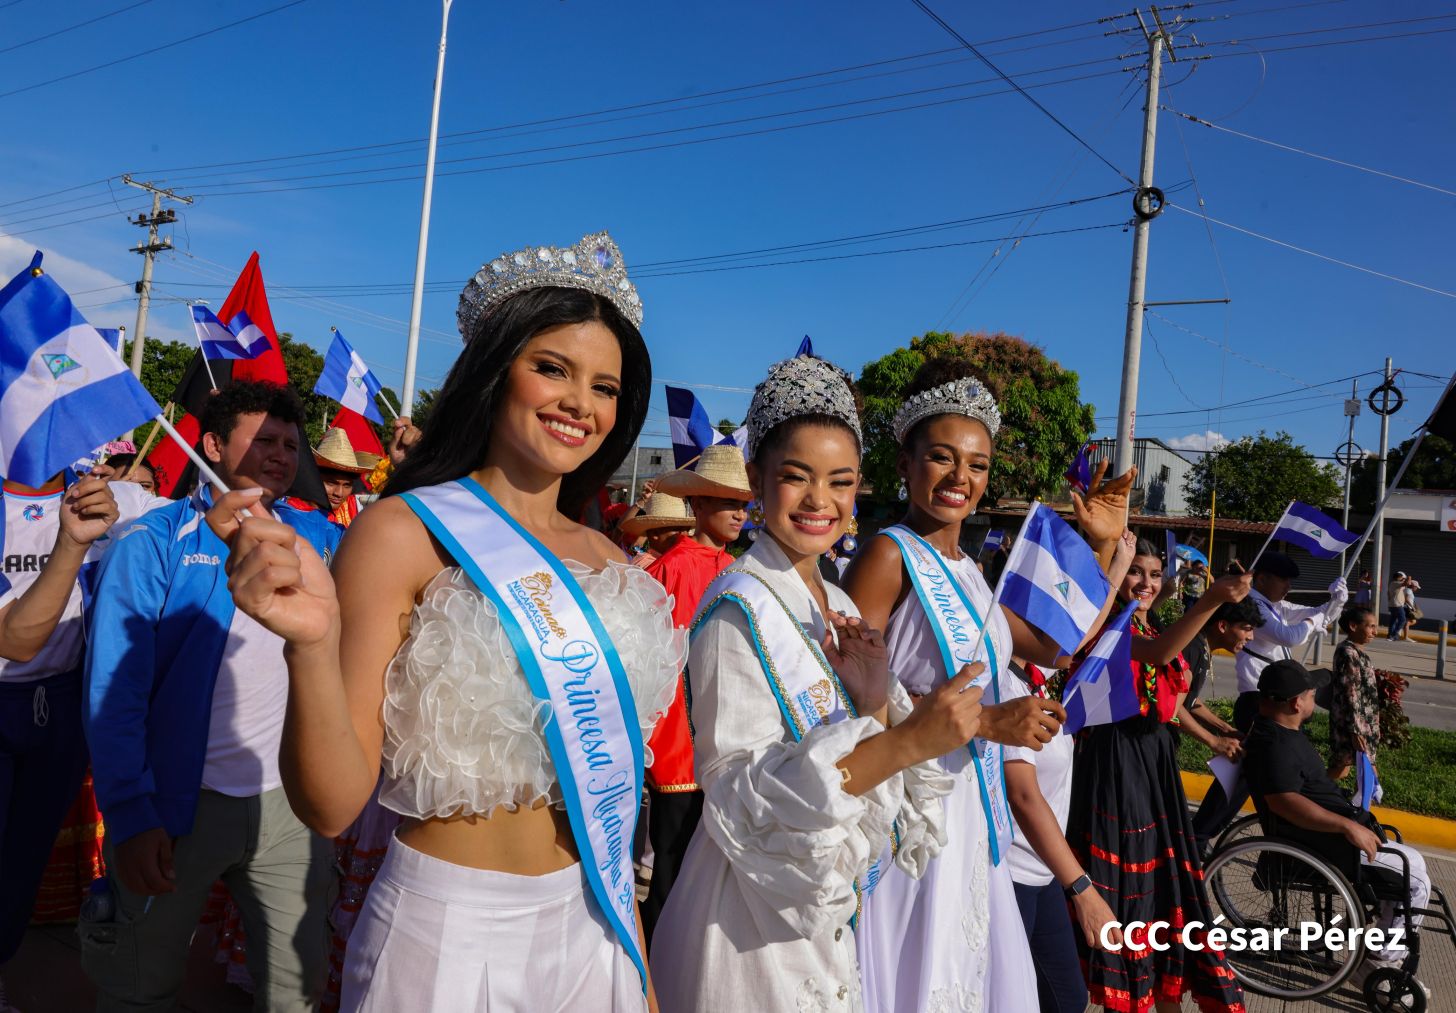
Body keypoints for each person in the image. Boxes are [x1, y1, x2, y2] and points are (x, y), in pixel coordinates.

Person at [218, 232, 683, 1011]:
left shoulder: (613, 559)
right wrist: (311, 646)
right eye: (552, 368)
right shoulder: (404, 532)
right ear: (496, 371)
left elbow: (609, 794)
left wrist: (636, 961)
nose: (581, 403)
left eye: (606, 386)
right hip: (449, 933)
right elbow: (332, 804)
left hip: (593, 925)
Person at [652, 354, 977, 1012]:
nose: (819, 501)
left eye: (840, 481)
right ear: (755, 479)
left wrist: (876, 700)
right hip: (749, 922)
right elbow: (744, 798)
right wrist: (909, 739)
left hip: (825, 916)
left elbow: (861, 763)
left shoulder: (831, 598)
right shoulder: (734, 607)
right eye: (796, 477)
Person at [844, 366, 1135, 1013]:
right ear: (906, 462)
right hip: (915, 821)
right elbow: (844, 706)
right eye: (942, 457)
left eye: (976, 463)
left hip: (975, 822)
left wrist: (1101, 545)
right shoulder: (887, 556)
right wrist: (988, 722)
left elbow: (1057, 643)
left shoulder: (971, 572)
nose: (959, 477)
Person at [80, 382, 343, 1012]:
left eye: (289, 442)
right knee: (139, 988)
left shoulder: (324, 543)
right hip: (176, 806)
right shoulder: (155, 542)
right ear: (213, 445)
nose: (281, 453)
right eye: (263, 439)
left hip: (289, 808)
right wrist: (133, 816)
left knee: (296, 992)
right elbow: (113, 692)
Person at [1065, 539, 1252, 1012]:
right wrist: (1211, 601)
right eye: (1134, 573)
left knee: (1161, 894)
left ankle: (1160, 989)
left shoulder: (1141, 616)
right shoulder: (1105, 626)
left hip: (1154, 762)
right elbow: (1158, 654)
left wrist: (1165, 593)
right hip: (1116, 762)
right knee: (1128, 894)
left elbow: (1169, 702)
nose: (1144, 583)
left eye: (1153, 574)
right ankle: (1126, 994)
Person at [0, 470, 143, 1004]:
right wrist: (69, 542)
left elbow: (197, 512)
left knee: (23, 863)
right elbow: (15, 642)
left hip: (60, 709)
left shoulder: (105, 491)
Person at [1242, 659, 1430, 983]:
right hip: (1327, 844)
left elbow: (1305, 788)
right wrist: (1347, 826)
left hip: (1333, 835)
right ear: (1296, 702)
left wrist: (1339, 774)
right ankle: (1378, 961)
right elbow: (1284, 802)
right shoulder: (1275, 745)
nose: (1316, 697)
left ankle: (1382, 941)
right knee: (1415, 880)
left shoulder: (1285, 732)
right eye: (1312, 693)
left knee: (1409, 867)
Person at [639, 444, 751, 944]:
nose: (739, 514)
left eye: (744, 504)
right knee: (671, 870)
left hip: (724, 739)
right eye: (728, 502)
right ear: (699, 506)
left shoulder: (736, 568)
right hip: (680, 745)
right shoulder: (675, 567)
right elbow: (662, 662)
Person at [1329, 604, 1381, 782]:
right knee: (1354, 770)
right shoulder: (1348, 653)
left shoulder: (1356, 652)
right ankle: (1310, 797)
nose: (1375, 631)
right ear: (1353, 626)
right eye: (1370, 626)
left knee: (1347, 768)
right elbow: (1351, 693)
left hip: (1361, 722)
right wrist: (1356, 730)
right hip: (1353, 724)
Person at [312, 427, 381, 527]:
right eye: (331, 483)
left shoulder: (355, 509)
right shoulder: (290, 511)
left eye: (347, 485)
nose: (339, 493)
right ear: (314, 477)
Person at [619, 490, 695, 567]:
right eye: (677, 529)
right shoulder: (651, 566)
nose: (684, 535)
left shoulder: (664, 562)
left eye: (687, 529)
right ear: (655, 533)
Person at [1387, 572, 1413, 641]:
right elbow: (1407, 583)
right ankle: (1394, 635)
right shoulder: (1396, 583)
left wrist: (1404, 580)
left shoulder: (1393, 584)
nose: (1403, 579)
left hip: (1392, 605)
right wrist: (1409, 577)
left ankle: (1390, 636)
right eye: (1402, 578)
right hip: (1397, 605)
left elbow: (1405, 585)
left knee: (1393, 620)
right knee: (1403, 619)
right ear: (1398, 578)